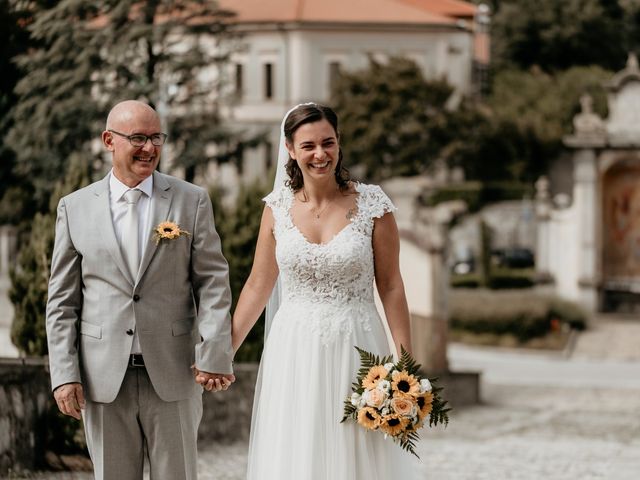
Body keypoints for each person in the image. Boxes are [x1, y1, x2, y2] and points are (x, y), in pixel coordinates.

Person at [46, 100, 235, 480]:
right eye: (137, 138)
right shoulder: (75, 207)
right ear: (108, 141)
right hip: (103, 378)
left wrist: (214, 350)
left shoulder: (191, 200)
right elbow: (62, 300)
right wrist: (64, 373)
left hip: (174, 371)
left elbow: (213, 282)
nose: (149, 148)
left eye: (156, 138)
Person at [231, 103, 420, 478]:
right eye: (308, 146)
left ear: (339, 142)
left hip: (358, 345)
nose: (320, 154)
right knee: (297, 450)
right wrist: (223, 351)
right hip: (293, 349)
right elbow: (258, 284)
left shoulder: (373, 205)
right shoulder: (276, 208)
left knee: (356, 451)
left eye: (328, 143)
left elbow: (392, 286)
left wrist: (405, 367)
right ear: (289, 148)